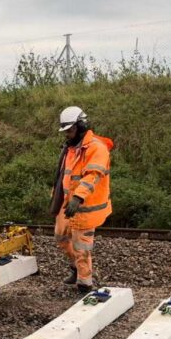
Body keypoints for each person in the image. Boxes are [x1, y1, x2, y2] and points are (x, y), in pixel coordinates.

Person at [49, 106, 114, 293]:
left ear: (81, 126)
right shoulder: (71, 148)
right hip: (67, 204)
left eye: (70, 130)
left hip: (85, 207)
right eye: (66, 131)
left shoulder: (96, 148)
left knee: (81, 247)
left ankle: (85, 284)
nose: (67, 135)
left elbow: (93, 175)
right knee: (61, 236)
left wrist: (78, 197)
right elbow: (65, 175)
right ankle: (76, 269)